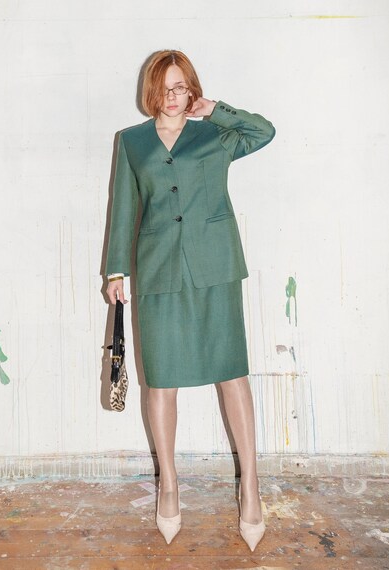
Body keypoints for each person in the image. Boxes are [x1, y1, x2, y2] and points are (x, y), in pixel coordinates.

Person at [104, 50, 275, 550]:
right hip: (159, 270)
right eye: (165, 88)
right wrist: (116, 269)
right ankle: (169, 485)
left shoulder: (214, 135)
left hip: (216, 266)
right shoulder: (132, 142)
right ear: (151, 92)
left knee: (232, 373)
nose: (173, 97)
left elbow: (264, 131)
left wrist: (215, 109)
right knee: (160, 380)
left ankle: (251, 486)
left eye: (181, 87)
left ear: (192, 88)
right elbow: (123, 206)